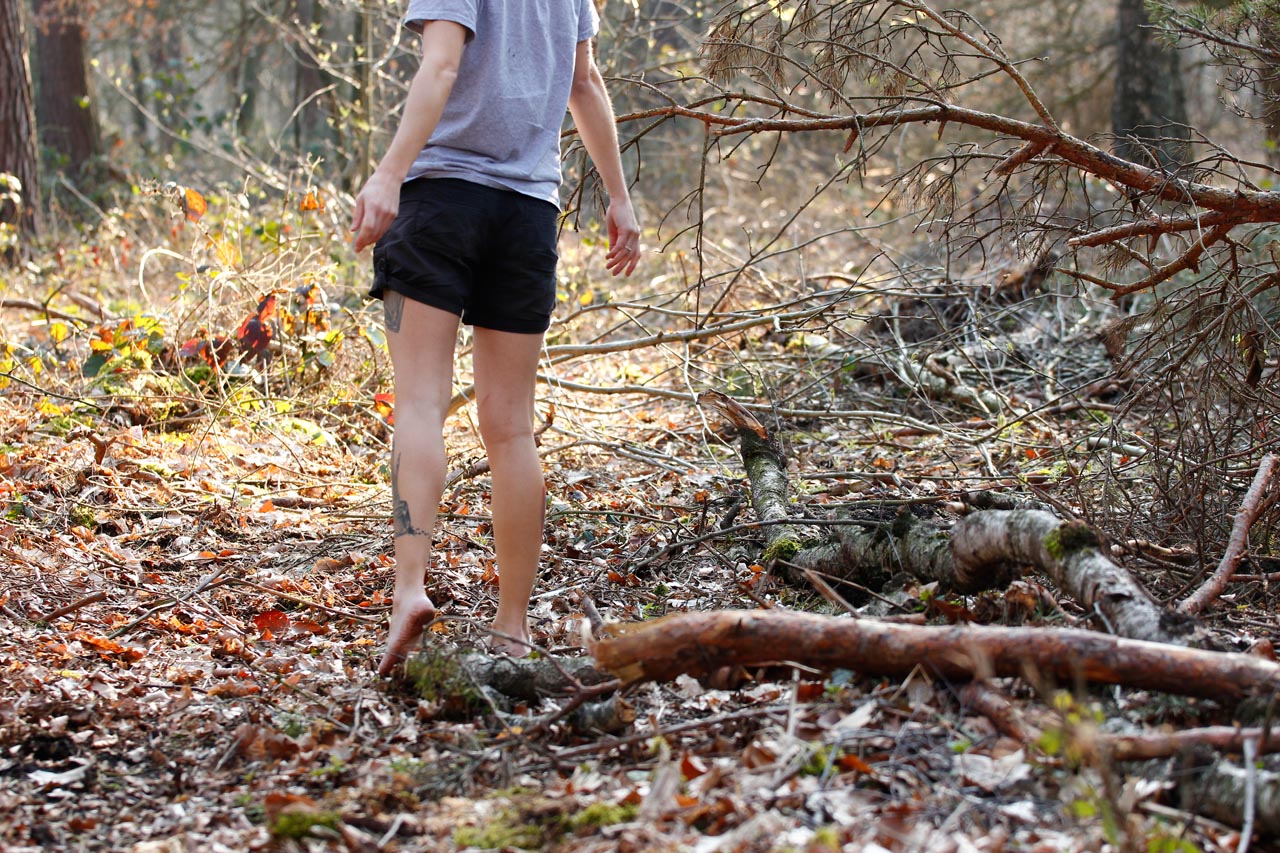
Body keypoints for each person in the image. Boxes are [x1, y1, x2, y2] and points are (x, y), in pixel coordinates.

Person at [349, 0, 641, 676]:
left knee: (421, 402)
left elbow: (442, 64)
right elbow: (585, 84)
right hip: (527, 215)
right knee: (510, 429)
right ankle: (512, 625)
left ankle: (410, 590)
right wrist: (619, 199)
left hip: (439, 200)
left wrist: (390, 171)